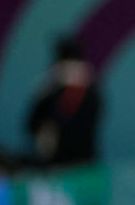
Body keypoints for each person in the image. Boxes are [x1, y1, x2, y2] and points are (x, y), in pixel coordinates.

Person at [26, 37, 102, 166]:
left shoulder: (50, 88)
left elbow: (32, 123)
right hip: (82, 159)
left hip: (63, 162)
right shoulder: (94, 89)